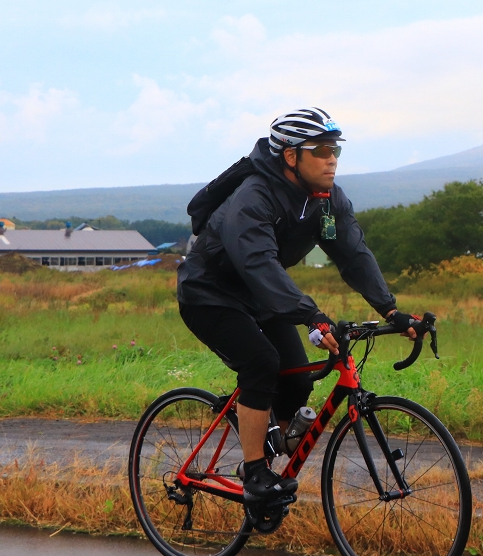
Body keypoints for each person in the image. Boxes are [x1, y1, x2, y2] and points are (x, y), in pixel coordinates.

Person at [177, 107, 415, 505]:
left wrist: (391, 310)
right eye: (321, 150)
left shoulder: (327, 199)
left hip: (259, 296)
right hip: (209, 293)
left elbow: (353, 254)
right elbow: (257, 263)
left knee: (298, 379)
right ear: (291, 156)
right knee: (261, 363)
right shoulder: (254, 196)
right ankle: (254, 474)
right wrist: (310, 314)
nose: (332, 158)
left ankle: (270, 452)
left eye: (335, 149)